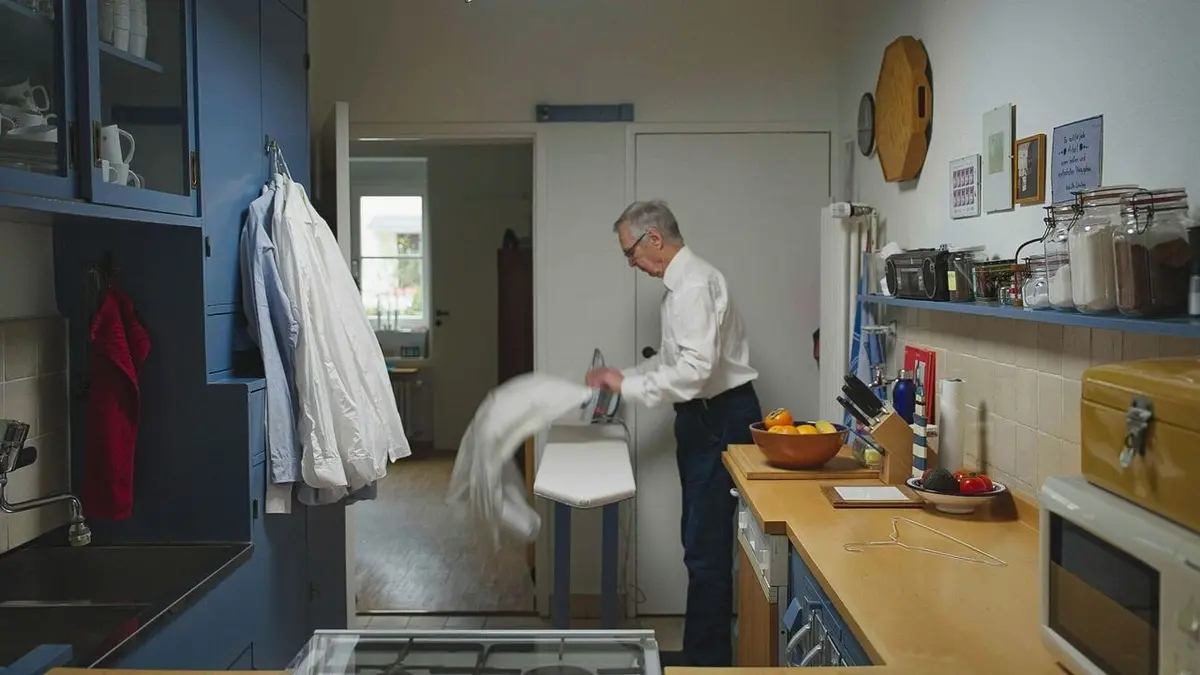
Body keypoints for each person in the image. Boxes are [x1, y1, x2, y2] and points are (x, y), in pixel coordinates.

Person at [586, 200, 760, 667]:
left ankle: (706, 663)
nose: (630, 262)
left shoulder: (692, 286)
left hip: (717, 418)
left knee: (705, 550)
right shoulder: (681, 285)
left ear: (654, 240)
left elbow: (696, 371)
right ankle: (707, 653)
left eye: (630, 252)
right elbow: (673, 362)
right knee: (699, 544)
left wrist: (629, 385)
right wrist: (624, 376)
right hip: (706, 416)